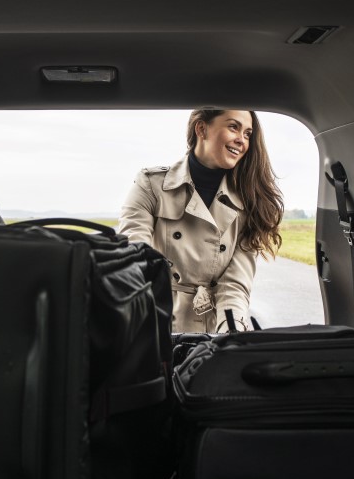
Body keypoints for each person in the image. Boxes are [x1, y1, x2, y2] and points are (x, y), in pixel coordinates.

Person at [118, 109, 283, 332]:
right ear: (202, 128)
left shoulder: (250, 202)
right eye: (233, 127)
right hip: (155, 319)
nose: (242, 140)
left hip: (214, 330)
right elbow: (134, 259)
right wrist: (143, 326)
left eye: (247, 133)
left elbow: (234, 286)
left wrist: (231, 333)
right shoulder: (151, 185)